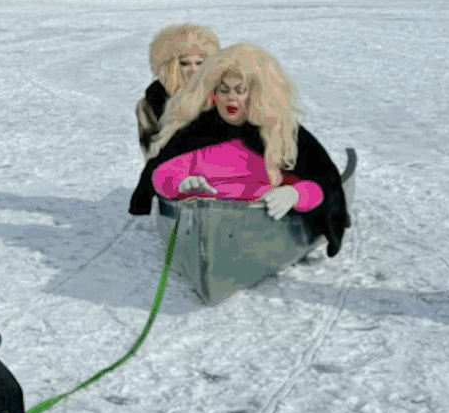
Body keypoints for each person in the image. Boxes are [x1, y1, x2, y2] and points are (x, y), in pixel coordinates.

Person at [130, 44, 349, 256]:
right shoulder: (198, 129)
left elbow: (320, 179)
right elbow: (163, 169)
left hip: (259, 229)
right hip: (208, 223)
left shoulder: (280, 132)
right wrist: (179, 185)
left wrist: (295, 194)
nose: (231, 97)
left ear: (256, 93)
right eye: (223, 90)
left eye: (240, 90)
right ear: (214, 93)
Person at [135, 24, 222, 156]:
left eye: (199, 63)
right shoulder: (150, 104)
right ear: (169, 66)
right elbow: (152, 156)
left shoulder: (223, 98)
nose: (193, 69)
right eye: (185, 63)